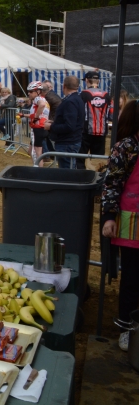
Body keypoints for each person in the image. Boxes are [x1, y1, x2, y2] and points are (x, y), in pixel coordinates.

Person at [101, 99, 139, 351]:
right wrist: (109, 217)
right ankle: (126, 326)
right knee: (133, 276)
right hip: (131, 220)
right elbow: (112, 184)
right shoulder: (126, 147)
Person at [44, 76, 84, 169]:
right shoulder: (76, 99)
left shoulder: (70, 101)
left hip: (67, 143)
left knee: (67, 173)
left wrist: (51, 127)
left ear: (64, 86)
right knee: (69, 170)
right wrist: (54, 122)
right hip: (71, 141)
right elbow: (71, 120)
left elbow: (70, 126)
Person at [79, 71, 111, 169]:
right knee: (98, 159)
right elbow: (110, 113)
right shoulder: (106, 95)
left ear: (87, 81)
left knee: (80, 157)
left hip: (86, 131)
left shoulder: (84, 94)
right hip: (101, 131)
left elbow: (80, 112)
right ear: (99, 81)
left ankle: (82, 177)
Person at [26, 81, 49, 166]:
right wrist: (24, 115)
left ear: (38, 91)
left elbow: (42, 105)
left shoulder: (38, 99)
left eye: (31, 92)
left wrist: (35, 118)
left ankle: (39, 171)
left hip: (39, 128)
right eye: (28, 92)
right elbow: (37, 113)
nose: (29, 94)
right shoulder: (43, 99)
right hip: (40, 127)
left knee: (37, 153)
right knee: (30, 151)